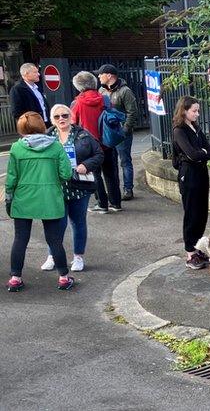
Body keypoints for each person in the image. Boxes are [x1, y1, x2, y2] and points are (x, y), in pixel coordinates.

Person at [6, 112, 73, 292]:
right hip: (50, 198)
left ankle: (15, 278)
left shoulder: (16, 148)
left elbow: (11, 178)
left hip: (23, 197)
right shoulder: (56, 147)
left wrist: (9, 196)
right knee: (54, 240)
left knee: (20, 239)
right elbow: (66, 174)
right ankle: (64, 278)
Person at [40, 103, 103, 273]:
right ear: (52, 120)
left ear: (71, 117)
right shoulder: (47, 137)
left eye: (65, 115)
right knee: (56, 225)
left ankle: (78, 257)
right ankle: (52, 256)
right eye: (57, 117)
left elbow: (99, 154)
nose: (61, 119)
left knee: (78, 223)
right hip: (56, 188)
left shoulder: (83, 134)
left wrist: (86, 165)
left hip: (78, 187)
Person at [171, 96, 210, 270]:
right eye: (194, 111)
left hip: (201, 172)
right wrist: (200, 153)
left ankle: (196, 247)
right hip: (189, 174)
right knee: (192, 213)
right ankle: (190, 251)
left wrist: (201, 152)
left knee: (202, 212)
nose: (197, 114)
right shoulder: (179, 130)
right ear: (184, 111)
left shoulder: (195, 127)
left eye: (198, 110)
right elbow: (192, 154)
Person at [68, 71, 116, 215]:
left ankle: (102, 204)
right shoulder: (105, 99)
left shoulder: (77, 103)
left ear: (79, 87)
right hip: (107, 141)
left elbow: (72, 124)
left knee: (95, 174)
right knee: (111, 173)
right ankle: (116, 202)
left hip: (89, 145)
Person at [97, 64, 138, 201]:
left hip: (121, 133)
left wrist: (125, 130)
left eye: (100, 74)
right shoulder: (101, 91)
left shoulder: (125, 91)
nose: (98, 76)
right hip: (108, 133)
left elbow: (132, 112)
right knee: (110, 162)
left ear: (109, 75)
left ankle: (128, 189)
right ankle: (114, 191)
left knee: (125, 160)